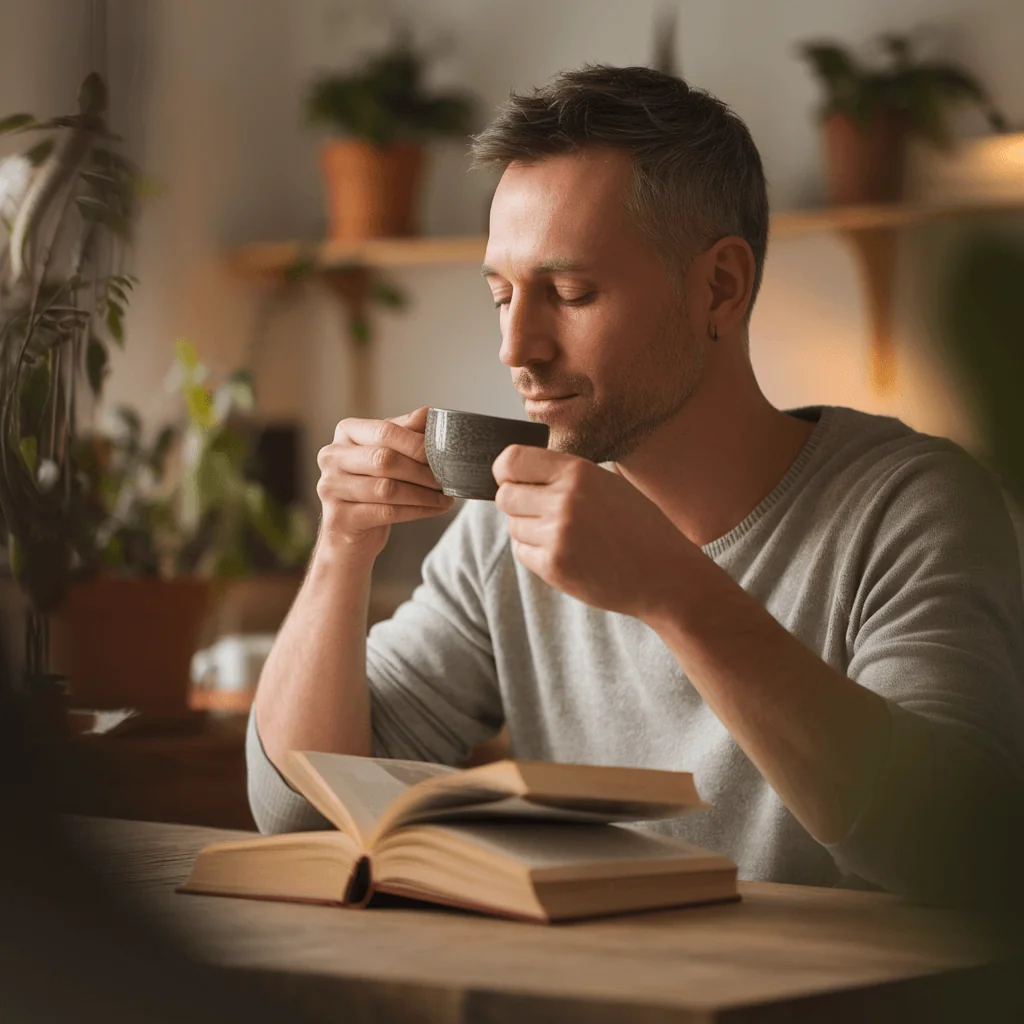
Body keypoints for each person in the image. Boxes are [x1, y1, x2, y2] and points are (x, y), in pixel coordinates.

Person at [249, 65, 1024, 905]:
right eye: (501, 295)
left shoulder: (911, 507)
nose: (517, 347)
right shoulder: (504, 526)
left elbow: (961, 849)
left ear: (720, 287)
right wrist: (340, 551)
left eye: (570, 292)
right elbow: (299, 812)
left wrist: (671, 589)